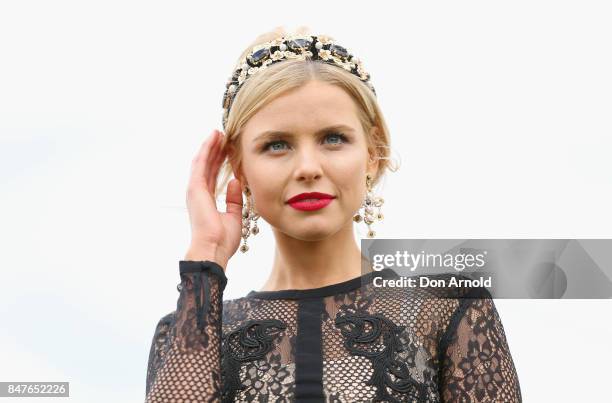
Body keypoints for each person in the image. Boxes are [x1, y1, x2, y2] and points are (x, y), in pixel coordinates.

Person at [144, 26, 522, 402]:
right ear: (241, 170)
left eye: (333, 139)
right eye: (277, 145)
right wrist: (206, 263)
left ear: (372, 155)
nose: (308, 167)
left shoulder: (448, 308)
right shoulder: (186, 333)